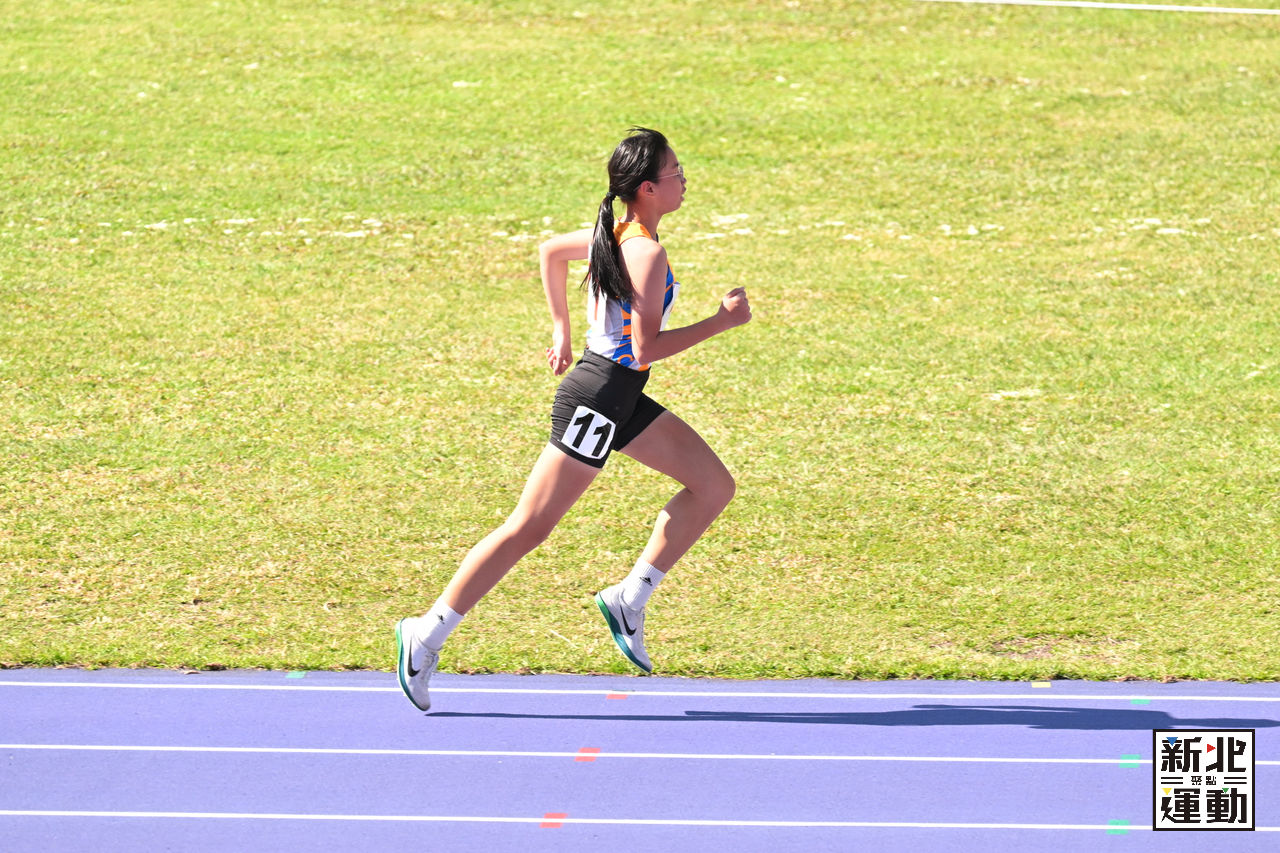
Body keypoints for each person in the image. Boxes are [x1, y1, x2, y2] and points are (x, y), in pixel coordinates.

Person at [396, 127, 751, 712]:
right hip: (598, 398)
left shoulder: (614, 234)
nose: (685, 180)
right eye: (676, 172)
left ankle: (629, 598)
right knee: (528, 528)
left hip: (620, 395)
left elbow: (550, 253)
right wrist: (720, 322)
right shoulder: (644, 252)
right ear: (647, 188)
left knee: (713, 486)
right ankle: (426, 634)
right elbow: (645, 349)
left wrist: (563, 331)